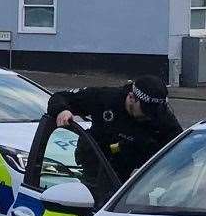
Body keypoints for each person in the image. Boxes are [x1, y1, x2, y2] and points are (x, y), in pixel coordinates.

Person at [48, 76, 182, 183]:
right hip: (96, 166)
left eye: (154, 113)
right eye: (146, 110)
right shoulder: (106, 99)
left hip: (137, 177)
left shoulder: (162, 117)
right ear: (131, 97)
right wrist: (62, 111)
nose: (149, 116)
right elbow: (60, 97)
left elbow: (181, 149)